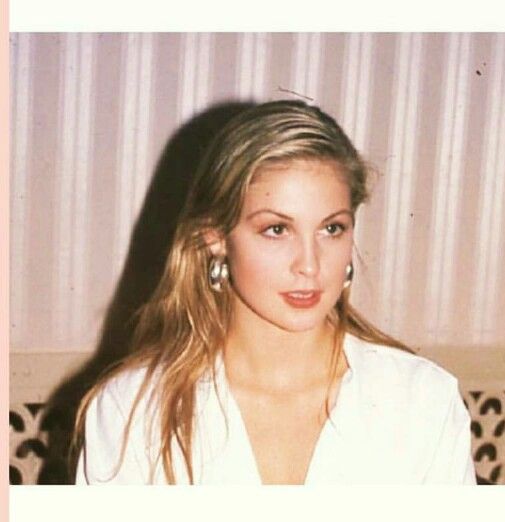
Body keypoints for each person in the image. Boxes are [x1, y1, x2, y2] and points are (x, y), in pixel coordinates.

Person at [73, 100, 476, 485]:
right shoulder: (132, 411)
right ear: (215, 236)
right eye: (277, 229)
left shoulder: (423, 401)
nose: (309, 264)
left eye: (331, 228)